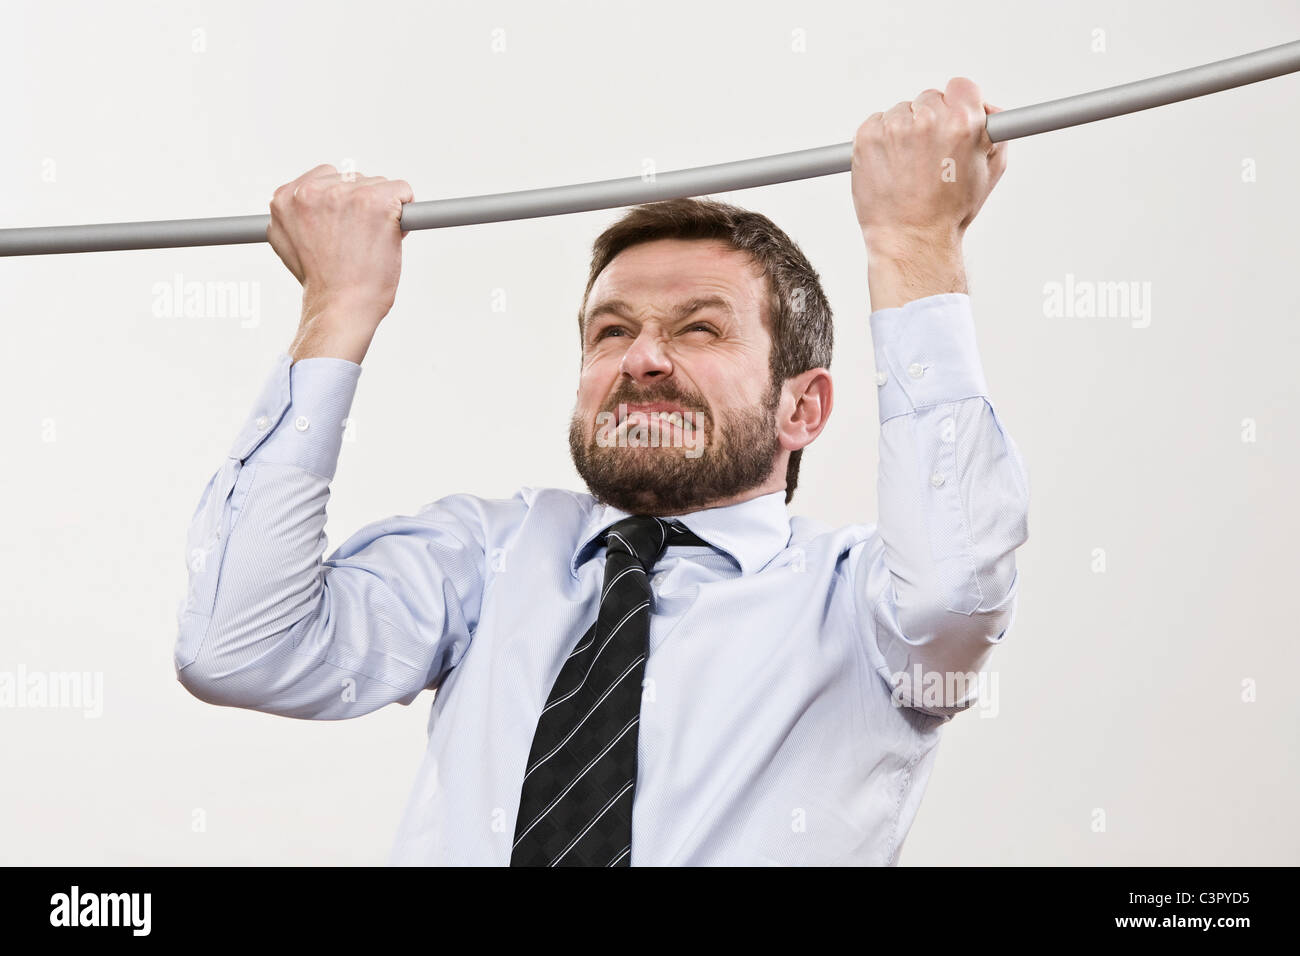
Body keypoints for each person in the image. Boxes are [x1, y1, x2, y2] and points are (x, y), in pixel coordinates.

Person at [175, 77, 1028, 866]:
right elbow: (238, 648)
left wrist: (912, 243)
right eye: (611, 331)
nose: (643, 358)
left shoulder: (864, 607)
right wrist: (339, 306)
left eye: (699, 329)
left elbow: (955, 593)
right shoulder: (485, 555)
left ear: (801, 409)